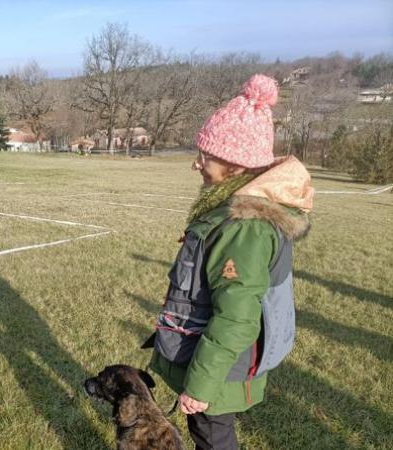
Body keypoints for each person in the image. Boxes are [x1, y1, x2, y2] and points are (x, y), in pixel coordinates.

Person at [147, 74, 314, 449]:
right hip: (212, 361)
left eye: (206, 156)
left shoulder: (244, 227)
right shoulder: (230, 212)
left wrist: (201, 385)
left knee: (213, 437)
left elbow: (236, 317)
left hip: (219, 370)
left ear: (236, 167)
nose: (197, 164)